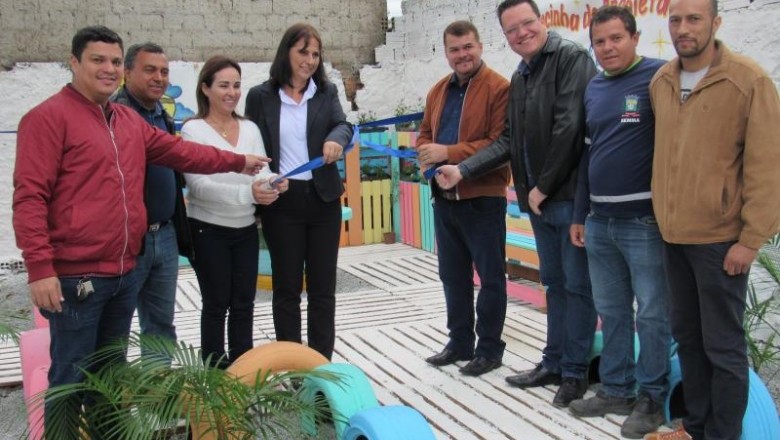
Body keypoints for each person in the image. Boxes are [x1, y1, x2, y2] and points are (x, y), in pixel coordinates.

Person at [12, 25, 267, 434]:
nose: (109, 68)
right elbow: (29, 198)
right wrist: (40, 268)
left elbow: (181, 152)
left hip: (122, 272)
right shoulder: (47, 119)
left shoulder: (126, 120)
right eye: (98, 60)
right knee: (71, 376)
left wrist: (237, 162)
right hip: (77, 278)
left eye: (114, 60)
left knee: (110, 376)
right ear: (74, 62)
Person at [435, 0, 597, 407]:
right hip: (540, 203)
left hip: (566, 197)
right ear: (505, 36)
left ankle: (574, 373)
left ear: (541, 21)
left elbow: (569, 127)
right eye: (512, 29)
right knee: (555, 285)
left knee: (578, 288)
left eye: (527, 23)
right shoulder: (523, 74)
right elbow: (510, 141)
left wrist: (542, 186)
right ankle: (554, 362)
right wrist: (461, 170)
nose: (521, 33)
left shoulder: (571, 58)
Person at [643, 0, 780, 438]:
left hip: (721, 242)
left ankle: (723, 435)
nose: (683, 28)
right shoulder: (662, 81)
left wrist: (750, 241)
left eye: (694, 19)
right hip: (673, 236)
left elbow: (767, 168)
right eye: (675, 20)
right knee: (688, 339)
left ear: (716, 22)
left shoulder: (748, 81)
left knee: (723, 347)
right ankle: (695, 428)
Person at [565, 6, 670, 438]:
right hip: (600, 222)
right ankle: (616, 389)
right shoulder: (594, 87)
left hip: (644, 222)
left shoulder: (659, 77)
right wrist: (580, 214)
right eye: (600, 41)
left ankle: (652, 397)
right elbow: (588, 154)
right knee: (611, 312)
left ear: (635, 38)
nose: (608, 47)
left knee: (653, 315)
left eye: (616, 38)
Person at [244, 23, 353, 360]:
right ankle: (293, 364)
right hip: (282, 202)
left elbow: (343, 125)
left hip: (323, 200)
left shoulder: (325, 92)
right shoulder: (260, 96)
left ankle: (320, 364)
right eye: (303, 52)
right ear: (286, 52)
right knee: (287, 288)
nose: (309, 60)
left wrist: (335, 139)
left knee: (323, 289)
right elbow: (252, 144)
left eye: (315, 54)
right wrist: (265, 181)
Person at [417, 20, 511, 377]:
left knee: (490, 278)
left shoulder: (499, 88)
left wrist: (448, 153)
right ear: (446, 53)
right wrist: (428, 163)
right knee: (452, 276)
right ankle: (459, 343)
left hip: (482, 197)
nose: (462, 55)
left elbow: (499, 143)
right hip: (445, 197)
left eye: (468, 46)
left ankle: (489, 349)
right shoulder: (438, 90)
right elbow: (424, 135)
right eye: (455, 49)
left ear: (480, 46)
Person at [181, 56, 287, 369]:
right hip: (207, 230)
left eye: (237, 85)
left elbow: (260, 171)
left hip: (245, 229)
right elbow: (199, 186)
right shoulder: (193, 130)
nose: (232, 92)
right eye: (224, 85)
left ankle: (242, 373)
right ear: (205, 88)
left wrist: (274, 181)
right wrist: (248, 194)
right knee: (216, 304)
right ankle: (214, 375)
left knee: (243, 304)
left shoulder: (249, 128)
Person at [110, 42, 192, 359]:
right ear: (127, 72)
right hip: (129, 239)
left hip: (165, 235)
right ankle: (113, 389)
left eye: (164, 71)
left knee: (160, 325)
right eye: (150, 70)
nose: (159, 78)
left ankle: (157, 389)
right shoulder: (115, 115)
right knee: (115, 329)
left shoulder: (162, 116)